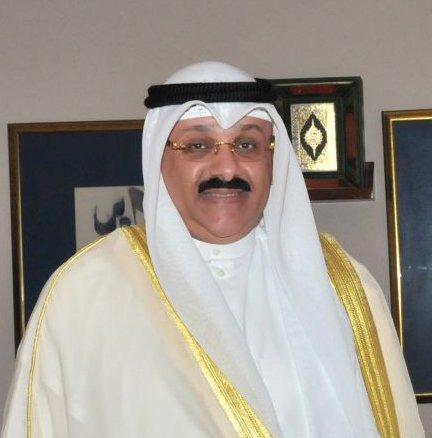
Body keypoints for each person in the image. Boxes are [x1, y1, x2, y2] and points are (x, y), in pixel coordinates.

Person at [1, 61, 424, 437]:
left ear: (273, 158)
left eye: (247, 144)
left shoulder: (342, 283)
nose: (226, 167)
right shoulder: (84, 294)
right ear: (159, 157)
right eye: (197, 146)